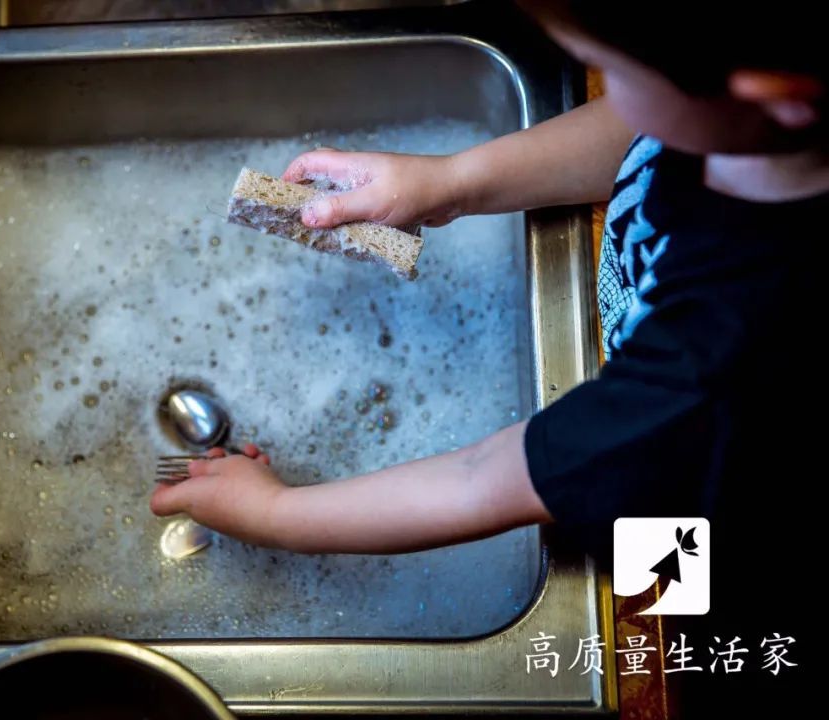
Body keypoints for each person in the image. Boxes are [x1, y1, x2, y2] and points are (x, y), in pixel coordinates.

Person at [152, 1, 823, 711]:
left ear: (774, 96)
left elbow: (487, 479)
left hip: (709, 507)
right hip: (666, 430)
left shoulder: (725, 363)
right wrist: (452, 183)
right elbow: (641, 134)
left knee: (669, 638)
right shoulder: (753, 131)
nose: (605, 91)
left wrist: (278, 516)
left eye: (613, 73)